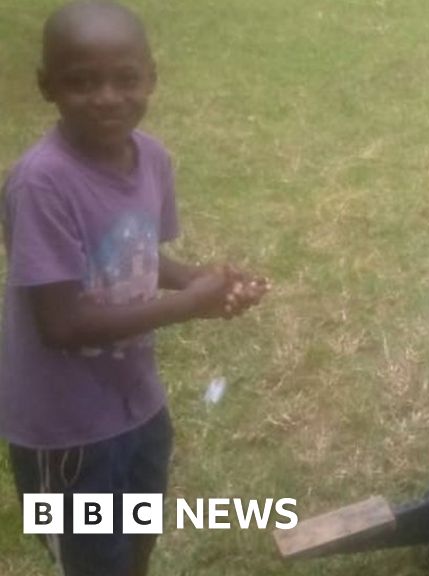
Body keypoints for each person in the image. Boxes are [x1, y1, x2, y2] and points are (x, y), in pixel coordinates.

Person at [0, 1, 268, 574]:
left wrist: (197, 277)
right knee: (92, 562)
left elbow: (140, 253)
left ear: (152, 78)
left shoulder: (151, 159)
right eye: (81, 82)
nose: (106, 98)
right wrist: (185, 306)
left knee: (134, 546)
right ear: (47, 86)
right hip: (62, 431)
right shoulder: (40, 184)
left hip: (138, 405)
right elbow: (61, 323)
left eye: (126, 79)